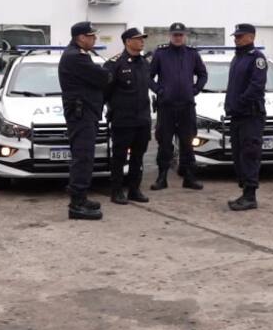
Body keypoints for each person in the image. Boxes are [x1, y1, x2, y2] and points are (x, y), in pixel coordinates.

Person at [59, 22, 111, 220]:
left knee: (84, 156)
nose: (94, 39)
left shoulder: (78, 54)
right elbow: (103, 78)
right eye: (91, 36)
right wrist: (107, 72)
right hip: (81, 115)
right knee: (83, 157)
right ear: (81, 37)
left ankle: (81, 197)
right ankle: (77, 204)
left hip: (84, 112)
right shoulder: (76, 57)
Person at [148, 22, 207, 191]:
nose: (178, 37)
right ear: (170, 36)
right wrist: (159, 90)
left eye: (181, 35)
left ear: (185, 36)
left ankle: (189, 177)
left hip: (186, 107)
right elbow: (149, 76)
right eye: (175, 35)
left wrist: (195, 89)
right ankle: (162, 178)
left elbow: (202, 74)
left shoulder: (192, 54)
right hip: (166, 107)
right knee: (165, 144)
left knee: (188, 144)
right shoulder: (161, 54)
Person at [103, 28, 152, 205]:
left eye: (142, 39)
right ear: (127, 41)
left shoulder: (145, 63)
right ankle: (116, 191)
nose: (142, 41)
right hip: (123, 120)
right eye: (138, 39)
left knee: (138, 157)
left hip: (142, 119)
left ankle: (134, 189)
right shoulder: (115, 64)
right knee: (119, 157)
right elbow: (105, 91)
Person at [225, 24, 266, 212]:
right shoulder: (237, 58)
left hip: (250, 114)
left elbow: (256, 86)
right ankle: (244, 192)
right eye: (236, 36)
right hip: (236, 115)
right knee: (238, 155)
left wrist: (239, 103)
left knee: (250, 154)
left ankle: (251, 196)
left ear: (251, 37)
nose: (236, 39)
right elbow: (233, 86)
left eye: (240, 36)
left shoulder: (256, 58)